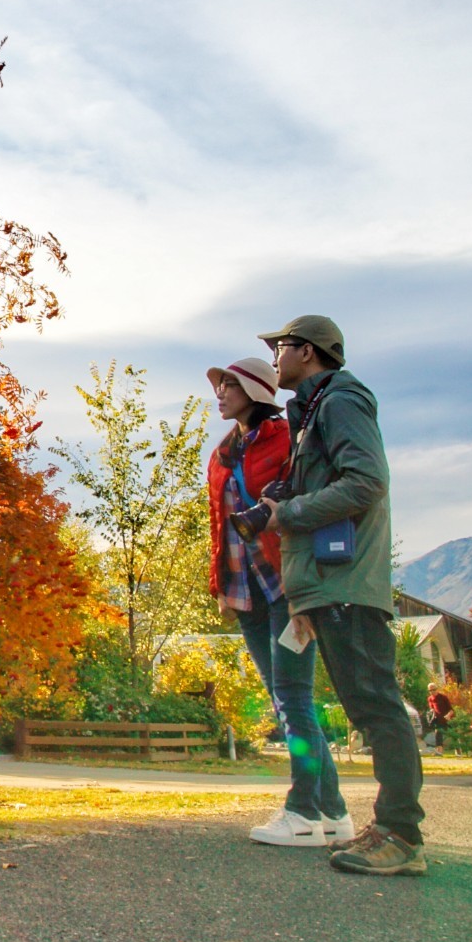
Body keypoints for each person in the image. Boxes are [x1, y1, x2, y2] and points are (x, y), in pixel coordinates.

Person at [255, 315, 427, 875]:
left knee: (378, 707)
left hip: (349, 582)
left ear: (306, 351)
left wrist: (291, 513)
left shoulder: (341, 401)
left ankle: (401, 837)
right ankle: (390, 829)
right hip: (332, 585)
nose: (274, 358)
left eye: (279, 348)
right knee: (368, 709)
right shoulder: (315, 410)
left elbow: (366, 481)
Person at [206, 356, 351, 848]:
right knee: (285, 701)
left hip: (288, 586)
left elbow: (308, 503)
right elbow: (219, 525)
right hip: (246, 591)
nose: (221, 392)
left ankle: (303, 811)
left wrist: (310, 588)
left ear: (255, 390)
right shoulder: (222, 453)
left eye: (230, 384)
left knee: (293, 699)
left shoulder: (286, 439)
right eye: (220, 384)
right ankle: (333, 814)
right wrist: (219, 586)